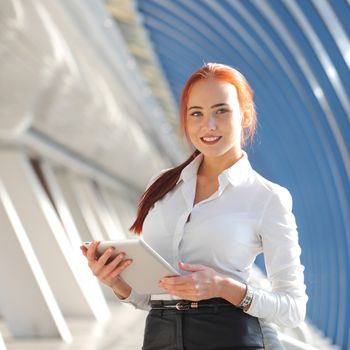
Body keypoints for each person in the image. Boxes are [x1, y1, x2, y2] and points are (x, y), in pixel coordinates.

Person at [81, 63, 308, 349]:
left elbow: (293, 309)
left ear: (245, 115)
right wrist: (117, 282)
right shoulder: (163, 186)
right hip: (159, 336)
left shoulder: (267, 198)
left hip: (229, 336)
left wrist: (223, 287)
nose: (208, 125)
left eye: (221, 111)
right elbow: (152, 298)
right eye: (196, 113)